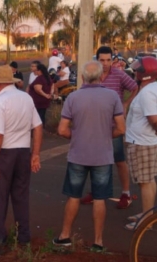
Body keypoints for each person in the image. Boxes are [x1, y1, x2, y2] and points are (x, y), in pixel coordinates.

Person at [53, 61, 125, 252]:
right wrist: (105, 136)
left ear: (83, 77)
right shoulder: (112, 97)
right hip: (103, 156)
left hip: (78, 154)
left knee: (73, 196)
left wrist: (76, 135)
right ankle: (98, 241)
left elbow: (62, 129)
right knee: (100, 198)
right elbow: (121, 128)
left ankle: (65, 236)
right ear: (102, 76)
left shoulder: (73, 98)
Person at [0, 65, 43, 245]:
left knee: (0, 196)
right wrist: (35, 154)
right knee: (21, 195)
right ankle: (23, 236)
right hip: (23, 151)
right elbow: (38, 127)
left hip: (5, 153)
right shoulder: (26, 97)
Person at [81, 46, 138, 209]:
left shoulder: (119, 75)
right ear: (96, 60)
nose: (105, 63)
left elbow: (135, 87)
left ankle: (126, 194)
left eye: (108, 60)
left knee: (119, 160)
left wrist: (126, 103)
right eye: (101, 60)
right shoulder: (92, 75)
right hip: (94, 126)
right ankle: (96, 192)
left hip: (114, 127)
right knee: (95, 161)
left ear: (112, 60)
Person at [125, 57, 157, 230]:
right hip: (145, 141)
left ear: (145, 74)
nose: (135, 71)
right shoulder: (149, 89)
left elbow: (154, 119)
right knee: (148, 180)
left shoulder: (147, 93)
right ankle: (148, 214)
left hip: (142, 143)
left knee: (145, 181)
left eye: (138, 69)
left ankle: (146, 222)